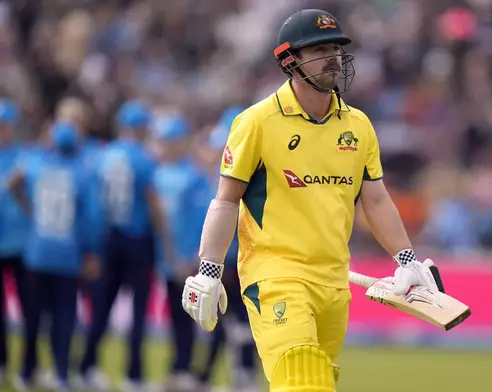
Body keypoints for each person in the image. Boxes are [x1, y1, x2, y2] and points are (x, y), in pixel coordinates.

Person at [181, 9, 444, 392]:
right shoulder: (257, 122)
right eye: (319, 49)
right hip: (275, 276)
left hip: (335, 282)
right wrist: (209, 269)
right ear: (290, 60)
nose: (334, 57)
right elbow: (226, 201)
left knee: (317, 381)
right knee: (302, 379)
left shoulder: (358, 126)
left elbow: (375, 200)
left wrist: (406, 260)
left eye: (336, 48)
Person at [79, 100, 168, 391]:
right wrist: (167, 239)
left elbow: (93, 202)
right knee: (138, 309)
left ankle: (87, 366)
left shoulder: (103, 156)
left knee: (102, 306)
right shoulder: (143, 158)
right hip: (136, 239)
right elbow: (153, 202)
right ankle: (134, 374)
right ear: (140, 127)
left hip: (108, 238)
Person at [9, 122, 101, 391]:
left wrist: (30, 210)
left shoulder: (37, 166)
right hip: (66, 255)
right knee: (63, 317)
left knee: (33, 317)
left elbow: (13, 181)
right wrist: (91, 252)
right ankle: (61, 373)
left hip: (37, 253)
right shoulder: (82, 174)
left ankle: (26, 372)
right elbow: (92, 220)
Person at [195, 108, 259, 392]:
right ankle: (230, 377)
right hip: (231, 261)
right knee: (230, 325)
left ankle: (238, 377)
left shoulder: (229, 178)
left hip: (235, 261)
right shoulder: (219, 177)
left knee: (236, 324)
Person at [151, 113, 211, 391]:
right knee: (175, 316)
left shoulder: (193, 177)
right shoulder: (158, 174)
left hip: (188, 261)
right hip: (167, 259)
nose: (166, 147)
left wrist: (193, 258)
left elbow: (203, 221)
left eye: (170, 141)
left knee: (188, 316)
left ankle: (185, 368)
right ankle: (178, 367)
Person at [0, 99, 30, 382]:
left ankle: (26, 367)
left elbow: (34, 206)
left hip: (22, 245)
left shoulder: (25, 158)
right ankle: (3, 363)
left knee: (29, 309)